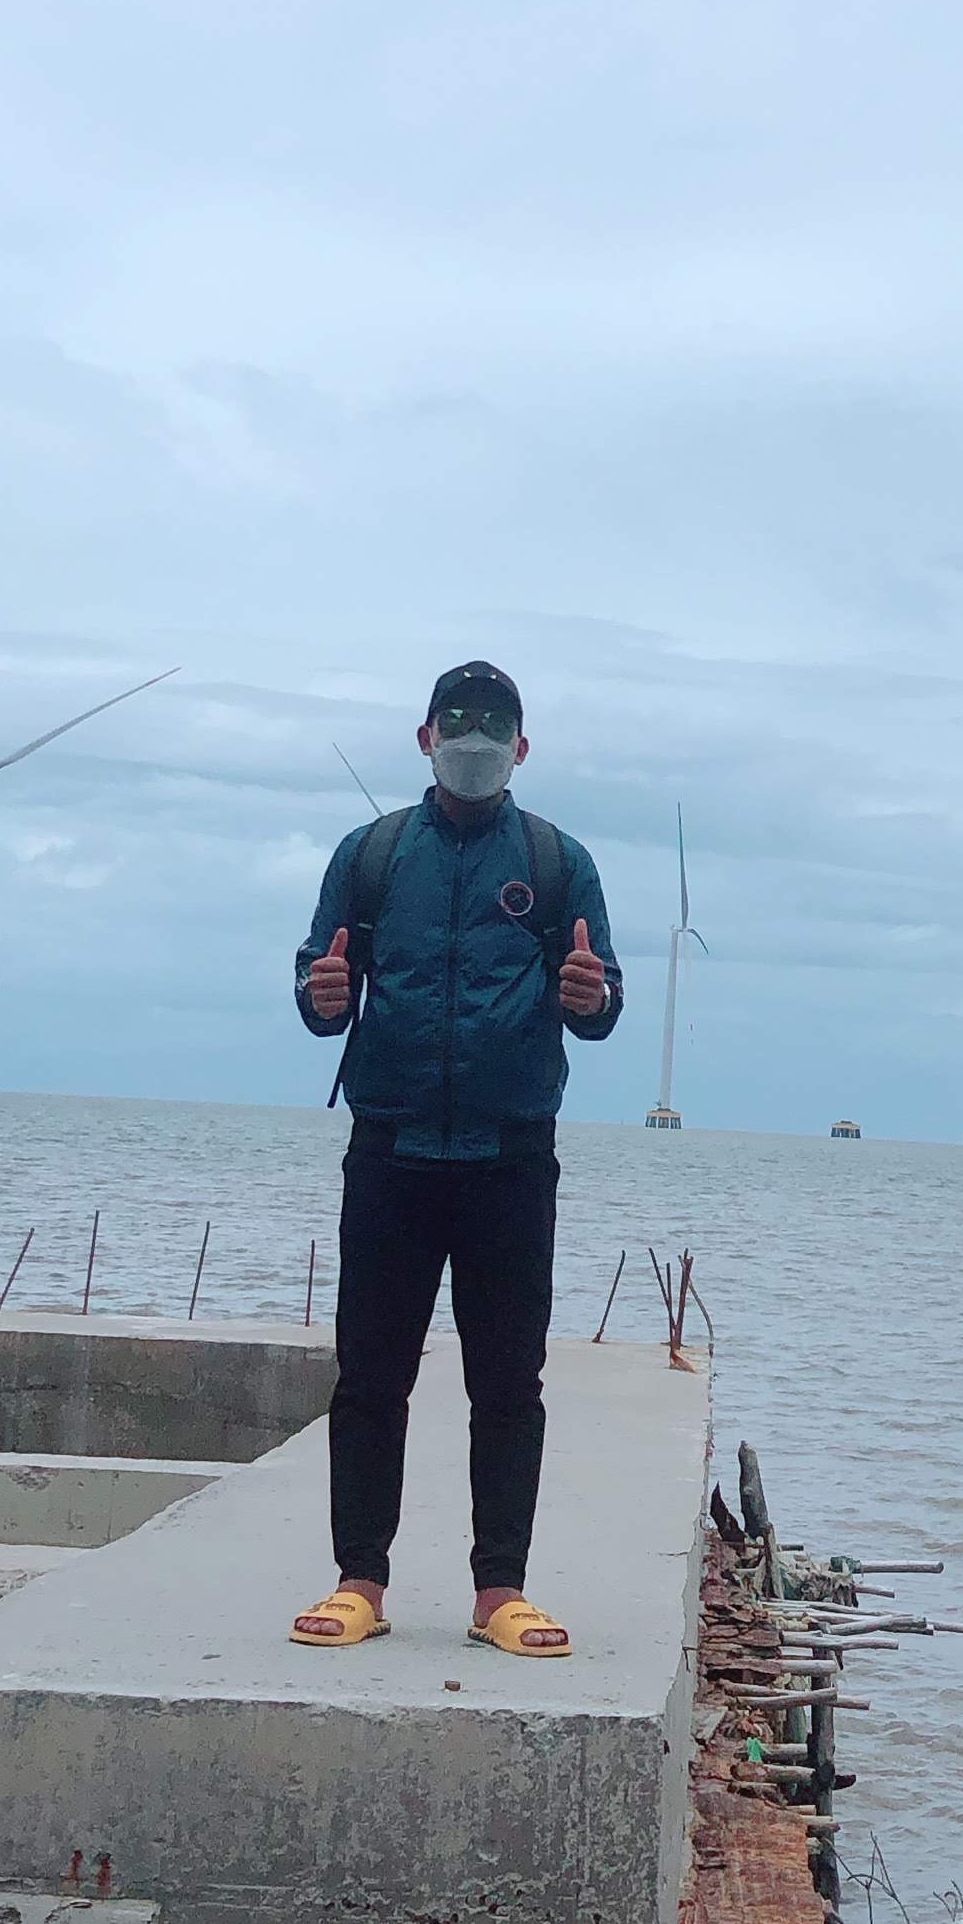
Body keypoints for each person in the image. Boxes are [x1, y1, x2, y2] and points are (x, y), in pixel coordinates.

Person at [287, 662, 622, 1658]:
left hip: (510, 1158)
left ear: (522, 747)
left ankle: (499, 1592)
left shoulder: (559, 861)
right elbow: (317, 981)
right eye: (459, 721)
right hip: (389, 1151)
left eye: (495, 725)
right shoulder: (372, 854)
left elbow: (602, 999)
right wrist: (321, 996)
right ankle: (359, 1581)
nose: (475, 739)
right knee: (369, 1379)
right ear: (425, 736)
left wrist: (591, 996)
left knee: (509, 1384)